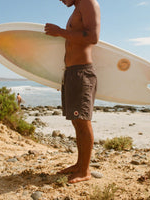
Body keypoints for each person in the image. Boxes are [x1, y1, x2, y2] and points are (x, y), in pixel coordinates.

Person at [45, 0, 100, 183]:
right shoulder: (77, 8)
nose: (60, 0)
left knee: (83, 121)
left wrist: (60, 32)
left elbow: (93, 37)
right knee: (77, 121)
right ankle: (79, 164)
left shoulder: (88, 2)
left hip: (82, 72)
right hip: (71, 72)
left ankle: (85, 171)